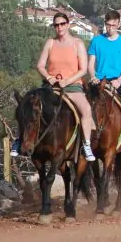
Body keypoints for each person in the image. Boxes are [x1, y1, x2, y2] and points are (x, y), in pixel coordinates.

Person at [35, 12, 96, 162]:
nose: (59, 27)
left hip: (73, 87)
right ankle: (20, 141)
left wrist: (67, 81)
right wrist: (49, 77)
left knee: (86, 110)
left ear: (68, 25)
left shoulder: (77, 43)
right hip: (51, 87)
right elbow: (40, 65)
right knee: (29, 106)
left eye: (62, 24)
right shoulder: (50, 43)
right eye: (56, 25)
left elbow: (83, 69)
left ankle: (86, 144)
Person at [87, 10, 121, 153]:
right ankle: (83, 139)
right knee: (84, 104)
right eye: (108, 25)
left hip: (117, 80)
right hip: (98, 80)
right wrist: (93, 76)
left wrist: (119, 80)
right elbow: (90, 64)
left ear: (118, 24)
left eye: (114, 25)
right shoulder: (96, 41)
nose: (111, 28)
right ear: (105, 24)